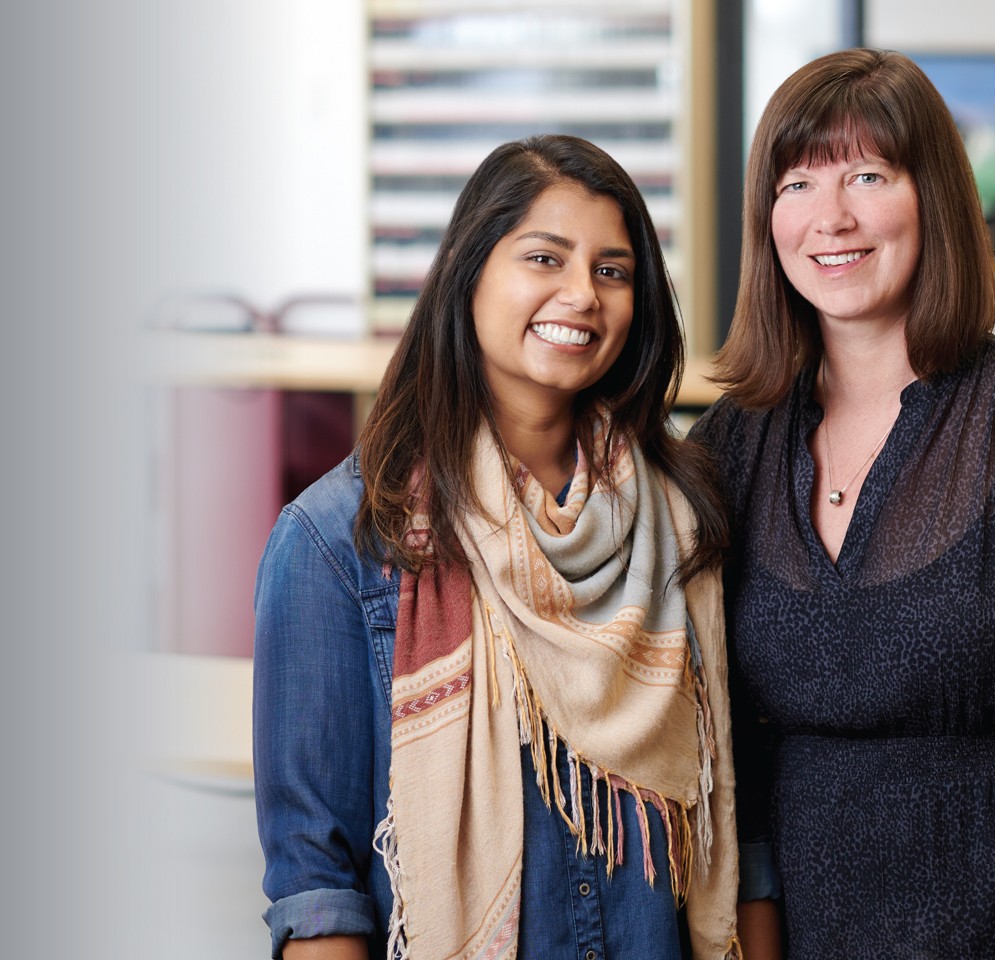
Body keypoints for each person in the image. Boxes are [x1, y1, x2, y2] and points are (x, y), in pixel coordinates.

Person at [690, 49, 995, 960]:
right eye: (797, 183)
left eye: (868, 175)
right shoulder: (732, 444)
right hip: (804, 933)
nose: (829, 216)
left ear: (936, 199)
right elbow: (725, 738)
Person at [253, 135, 741, 960]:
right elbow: (319, 891)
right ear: (469, 272)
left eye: (613, 270)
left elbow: (742, 826)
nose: (582, 294)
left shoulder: (683, 516)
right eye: (544, 258)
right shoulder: (336, 542)